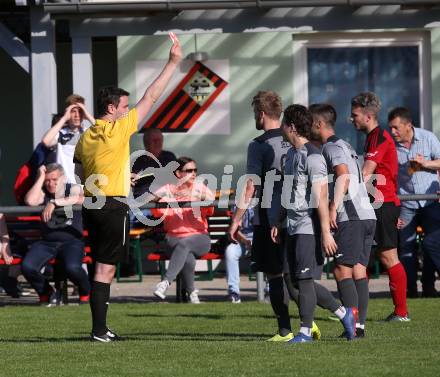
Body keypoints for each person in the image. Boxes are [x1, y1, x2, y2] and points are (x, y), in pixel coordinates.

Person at [74, 37, 182, 342]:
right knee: (105, 270)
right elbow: (152, 95)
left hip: (93, 204)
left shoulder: (87, 136)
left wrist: (120, 175)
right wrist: (173, 62)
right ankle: (98, 330)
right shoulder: (118, 127)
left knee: (100, 266)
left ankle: (101, 328)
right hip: (111, 206)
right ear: (112, 108)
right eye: (124, 105)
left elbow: (81, 171)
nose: (128, 109)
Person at [272, 104, 358, 342]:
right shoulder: (290, 156)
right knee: (292, 281)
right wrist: (279, 220)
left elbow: (322, 197)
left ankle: (305, 332)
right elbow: (288, 191)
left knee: (305, 280)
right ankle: (344, 313)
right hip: (291, 225)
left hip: (308, 227)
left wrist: (325, 232)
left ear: (290, 127)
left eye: (282, 123)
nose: (280, 128)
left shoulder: (314, 156)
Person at [228, 91, 301, 342]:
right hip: (297, 214)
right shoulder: (295, 138)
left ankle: (284, 329)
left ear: (260, 114)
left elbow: (251, 186)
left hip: (269, 217)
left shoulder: (258, 145)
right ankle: (310, 323)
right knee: (296, 273)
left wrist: (237, 219)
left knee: (275, 274)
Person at [311, 103, 376, 338]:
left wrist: (332, 207)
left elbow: (343, 175)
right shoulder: (346, 144)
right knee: (358, 271)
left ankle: (352, 325)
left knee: (341, 270)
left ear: (318, 124)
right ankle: (358, 327)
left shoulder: (331, 147)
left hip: (352, 216)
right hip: (367, 214)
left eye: (310, 124)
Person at [350, 92, 410, 321]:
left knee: (387, 258)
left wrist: (342, 197)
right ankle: (354, 311)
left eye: (355, 114)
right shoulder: (373, 136)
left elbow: (366, 173)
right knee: (360, 258)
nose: (351, 118)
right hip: (378, 204)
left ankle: (401, 312)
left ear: (367, 116)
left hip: (382, 204)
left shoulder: (379, 137)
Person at [388, 106, 440, 298]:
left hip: (430, 202)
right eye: (391, 128)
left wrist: (425, 164)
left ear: (408, 125)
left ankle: (428, 287)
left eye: (396, 128)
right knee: (406, 248)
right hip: (406, 204)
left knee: (431, 245)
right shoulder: (392, 147)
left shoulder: (428, 138)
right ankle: (409, 290)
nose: (393, 132)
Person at [21, 163, 90, 306]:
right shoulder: (43, 193)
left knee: (73, 268)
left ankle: (85, 292)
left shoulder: (72, 189)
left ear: (63, 178)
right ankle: (46, 292)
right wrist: (40, 178)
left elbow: (85, 199)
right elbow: (30, 201)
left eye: (54, 179)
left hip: (72, 241)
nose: (50, 183)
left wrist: (54, 202)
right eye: (47, 180)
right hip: (47, 243)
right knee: (28, 266)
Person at [152, 157, 215, 304]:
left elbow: (211, 200)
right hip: (173, 239)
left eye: (195, 170)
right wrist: (172, 195)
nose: (193, 174)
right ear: (178, 173)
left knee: (185, 245)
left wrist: (194, 196)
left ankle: (165, 282)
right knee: (187, 257)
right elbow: (151, 197)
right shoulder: (169, 188)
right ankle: (192, 292)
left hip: (200, 238)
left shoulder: (199, 188)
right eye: (189, 171)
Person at [42, 94, 95, 184]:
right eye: (73, 111)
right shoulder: (61, 133)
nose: (77, 115)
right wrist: (64, 118)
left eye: (80, 111)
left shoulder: (88, 133)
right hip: (64, 187)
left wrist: (88, 115)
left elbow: (105, 136)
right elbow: (45, 141)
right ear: (67, 112)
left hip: (84, 187)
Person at [130, 128, 177, 225]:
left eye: (160, 140)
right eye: (154, 140)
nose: (158, 143)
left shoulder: (169, 157)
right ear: (146, 143)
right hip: (142, 201)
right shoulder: (137, 159)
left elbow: (175, 178)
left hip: (162, 200)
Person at [224, 207, 254, 304]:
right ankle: (234, 292)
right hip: (244, 242)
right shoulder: (239, 203)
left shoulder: (264, 199)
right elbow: (236, 229)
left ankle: (269, 290)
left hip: (262, 240)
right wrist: (246, 241)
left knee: (269, 249)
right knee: (230, 251)